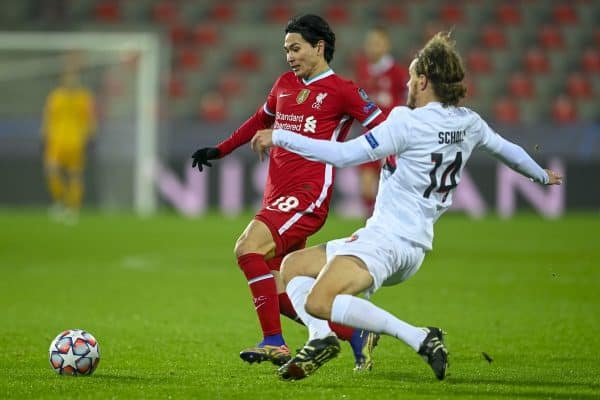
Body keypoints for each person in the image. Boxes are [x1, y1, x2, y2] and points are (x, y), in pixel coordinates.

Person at [250, 32, 563, 381]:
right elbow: (509, 151)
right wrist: (541, 175)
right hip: (408, 244)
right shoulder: (468, 123)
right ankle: (320, 337)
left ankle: (418, 336)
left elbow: (342, 155)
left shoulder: (406, 122)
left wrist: (280, 135)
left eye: (413, 77)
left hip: (387, 243)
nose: (409, 84)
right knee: (293, 265)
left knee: (318, 302)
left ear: (424, 80)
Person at [190, 14, 387, 370]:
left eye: (296, 48)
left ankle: (274, 342)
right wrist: (220, 150)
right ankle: (356, 333)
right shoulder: (283, 84)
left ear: (319, 47)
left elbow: (384, 129)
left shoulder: (343, 90)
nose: (289, 56)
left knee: (247, 248)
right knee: (281, 286)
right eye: (286, 50)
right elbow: (259, 120)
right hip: (277, 194)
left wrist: (400, 167)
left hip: (308, 194)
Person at [354, 26, 407, 216]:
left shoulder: (398, 73)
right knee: (367, 187)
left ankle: (390, 226)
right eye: (370, 43)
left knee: (393, 189)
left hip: (392, 137)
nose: (372, 47)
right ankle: (371, 228)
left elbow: (409, 102)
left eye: (377, 43)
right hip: (368, 135)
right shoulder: (363, 71)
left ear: (386, 45)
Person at [42, 53, 96, 225]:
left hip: (75, 141)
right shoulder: (55, 97)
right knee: (52, 171)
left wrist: (91, 138)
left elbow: (90, 119)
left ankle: (73, 209)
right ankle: (61, 202)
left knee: (75, 175)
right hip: (56, 141)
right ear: (63, 79)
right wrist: (44, 135)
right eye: (68, 77)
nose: (71, 80)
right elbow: (48, 118)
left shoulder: (84, 98)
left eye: (74, 77)